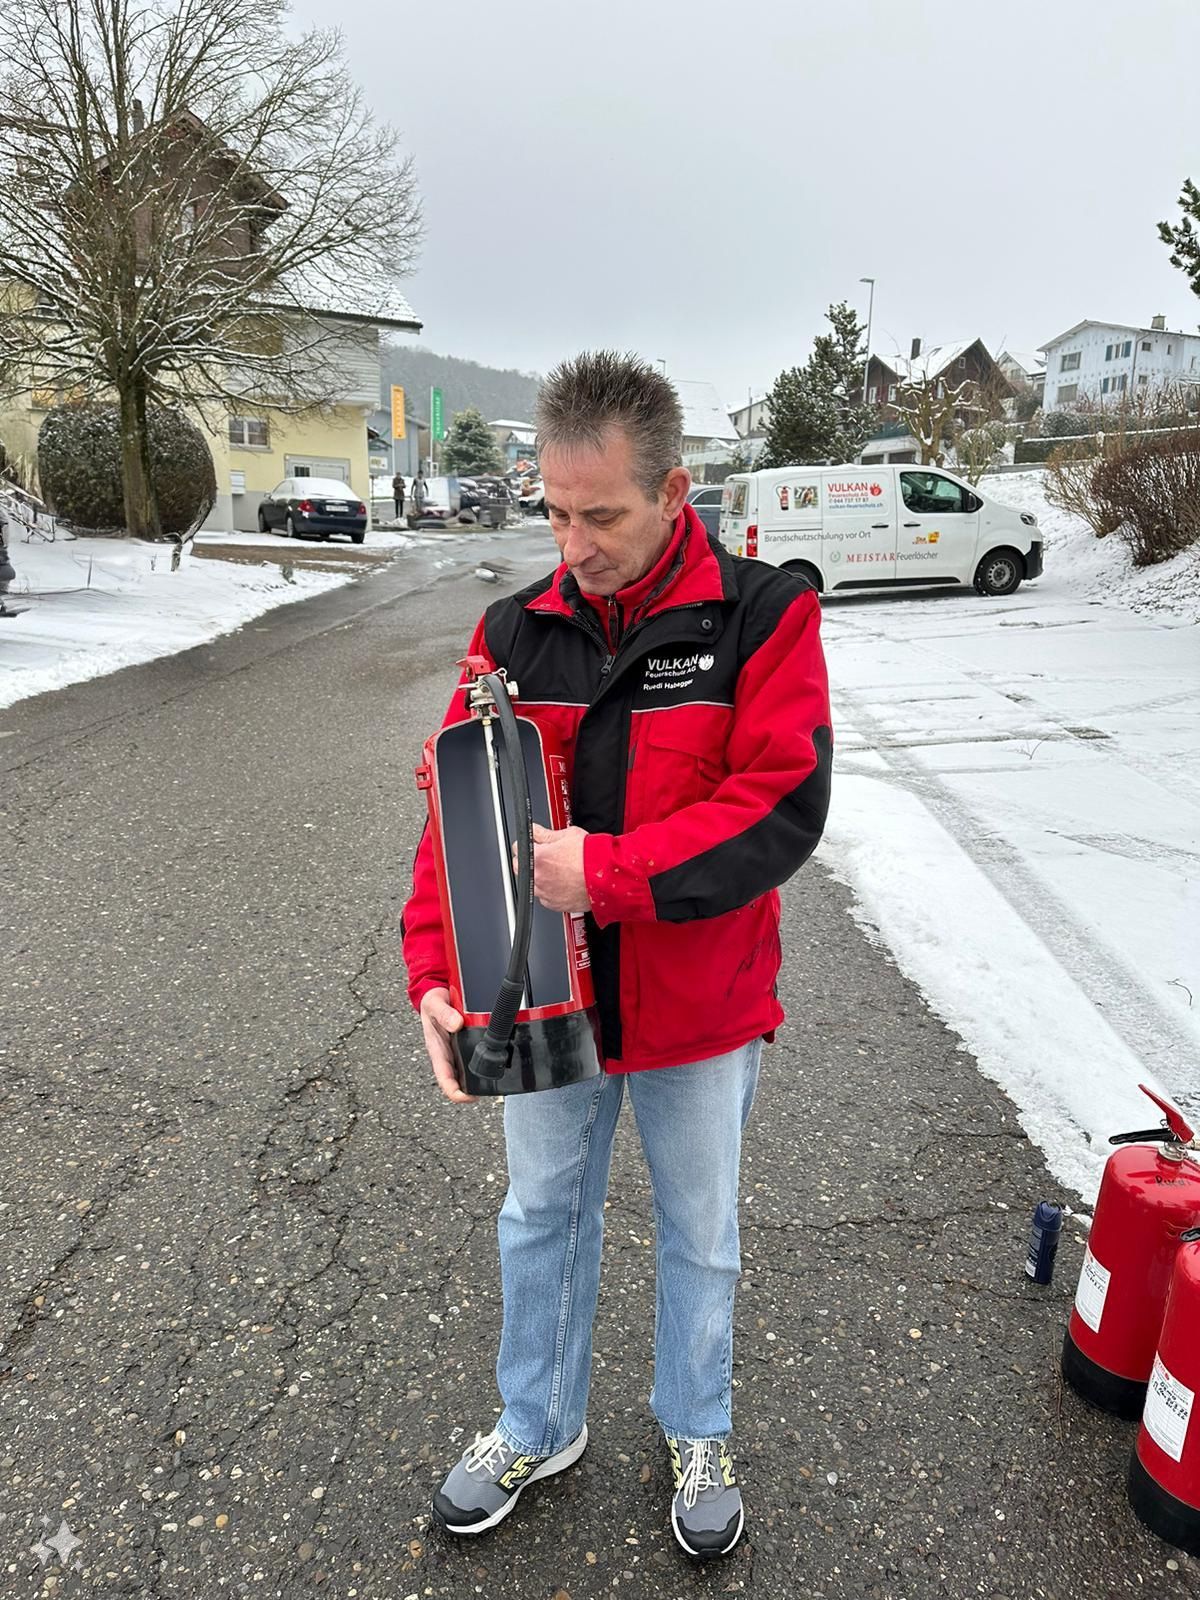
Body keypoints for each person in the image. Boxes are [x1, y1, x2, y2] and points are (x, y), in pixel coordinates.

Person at [402, 351, 832, 1561]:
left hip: (702, 1011)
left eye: (602, 513)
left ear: (675, 490)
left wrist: (612, 872)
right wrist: (435, 973)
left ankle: (697, 1425)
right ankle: (535, 1420)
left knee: (701, 1231)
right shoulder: (511, 634)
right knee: (540, 1216)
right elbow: (458, 820)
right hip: (543, 1010)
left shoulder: (761, 615)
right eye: (553, 508)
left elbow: (779, 806)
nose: (571, 539)